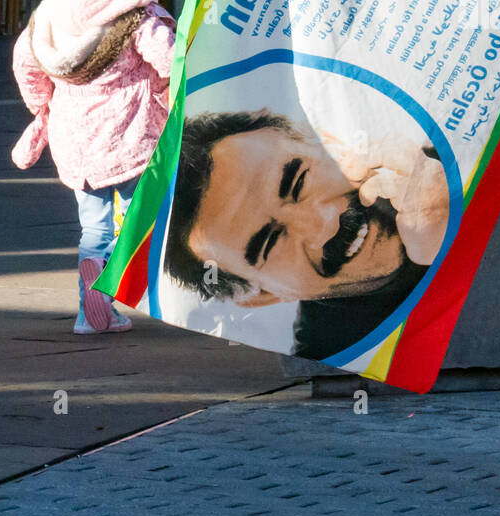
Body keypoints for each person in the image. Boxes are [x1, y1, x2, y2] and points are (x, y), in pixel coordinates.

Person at [164, 108, 450, 359]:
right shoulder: (338, 361)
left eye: (298, 182)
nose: (325, 224)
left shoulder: (453, 130)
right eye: (270, 241)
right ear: (263, 296)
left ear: (324, 140)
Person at [11, 0, 175, 334]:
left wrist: (42, 109)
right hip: (131, 138)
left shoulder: (51, 14)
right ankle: (115, 283)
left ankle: (92, 310)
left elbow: (27, 63)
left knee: (94, 226)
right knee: (146, 217)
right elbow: (172, 62)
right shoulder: (138, 16)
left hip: (76, 141)